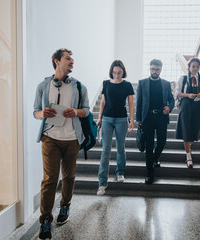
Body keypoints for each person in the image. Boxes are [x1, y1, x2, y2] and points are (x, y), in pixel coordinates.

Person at [33, 48, 89, 239]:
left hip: (72, 139)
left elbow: (87, 111)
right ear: (57, 61)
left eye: (72, 59)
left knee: (69, 176)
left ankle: (65, 206)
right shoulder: (43, 85)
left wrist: (76, 111)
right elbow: (35, 111)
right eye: (68, 58)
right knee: (49, 179)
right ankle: (46, 220)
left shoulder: (79, 86)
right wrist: (42, 114)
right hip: (50, 138)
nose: (72, 61)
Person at [96, 60, 135, 196]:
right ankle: (102, 183)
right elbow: (103, 102)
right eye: (114, 72)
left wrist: (132, 120)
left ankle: (120, 172)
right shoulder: (106, 84)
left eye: (119, 72)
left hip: (121, 119)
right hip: (106, 119)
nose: (117, 75)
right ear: (111, 72)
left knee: (120, 147)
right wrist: (100, 118)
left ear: (123, 72)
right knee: (105, 150)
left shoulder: (127, 85)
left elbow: (131, 104)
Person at [136, 59, 175, 184]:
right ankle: (150, 174)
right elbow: (139, 103)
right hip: (147, 118)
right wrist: (138, 119)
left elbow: (171, 99)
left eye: (157, 69)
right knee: (149, 146)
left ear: (160, 70)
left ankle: (155, 158)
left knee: (162, 142)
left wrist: (169, 108)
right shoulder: (142, 83)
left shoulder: (166, 84)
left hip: (161, 117)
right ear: (150, 69)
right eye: (153, 69)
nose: (154, 71)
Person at [175, 57, 200, 168]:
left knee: (195, 131)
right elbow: (178, 93)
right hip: (186, 106)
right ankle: (188, 156)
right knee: (186, 131)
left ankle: (189, 145)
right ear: (189, 67)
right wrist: (188, 95)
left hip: (197, 107)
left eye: (197, 67)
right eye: (193, 66)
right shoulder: (183, 79)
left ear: (199, 68)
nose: (195, 68)